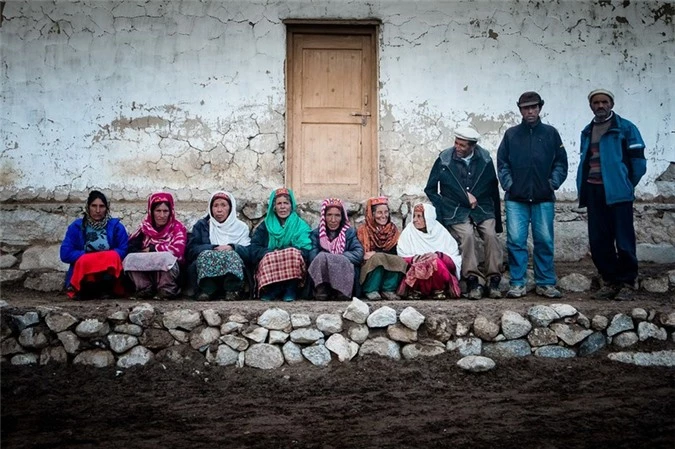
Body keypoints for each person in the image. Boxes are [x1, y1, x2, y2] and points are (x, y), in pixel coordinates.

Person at [497, 91, 568, 299]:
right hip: (516, 199)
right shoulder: (511, 135)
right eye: (526, 107)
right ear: (519, 109)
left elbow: (561, 163)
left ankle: (545, 282)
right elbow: (502, 163)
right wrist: (509, 184)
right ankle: (518, 283)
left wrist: (552, 183)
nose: (530, 111)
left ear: (540, 108)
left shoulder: (550, 133)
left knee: (544, 240)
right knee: (516, 241)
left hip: (543, 198)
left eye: (534, 107)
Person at [577, 88, 646, 301]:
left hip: (618, 193)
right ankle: (610, 280)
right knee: (599, 240)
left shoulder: (625, 128)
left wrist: (625, 183)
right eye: (596, 102)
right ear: (591, 106)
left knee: (624, 240)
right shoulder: (587, 131)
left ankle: (627, 282)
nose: (600, 106)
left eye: (604, 102)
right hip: (594, 190)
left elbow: (638, 162)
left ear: (611, 104)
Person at [425, 126, 503, 300]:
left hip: (481, 206)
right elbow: (430, 189)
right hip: (454, 209)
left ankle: (494, 279)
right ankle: (473, 279)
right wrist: (444, 206)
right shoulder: (444, 159)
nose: (457, 147)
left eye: (462, 145)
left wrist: (496, 219)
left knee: (490, 234)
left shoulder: (484, 160)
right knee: (467, 236)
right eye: (456, 143)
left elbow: (492, 187)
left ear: (472, 146)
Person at [60, 190, 129, 299]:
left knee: (112, 256)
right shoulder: (77, 227)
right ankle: (87, 290)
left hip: (108, 274)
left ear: (107, 208)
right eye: (94, 206)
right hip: (86, 275)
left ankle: (106, 290)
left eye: (101, 206)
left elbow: (124, 249)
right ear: (88, 207)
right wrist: (87, 255)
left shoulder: (116, 227)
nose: (98, 210)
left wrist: (102, 257)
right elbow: (65, 254)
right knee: (86, 260)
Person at [247, 188, 312, 302]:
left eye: (286, 203)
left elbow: (306, 249)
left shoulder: (300, 225)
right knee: (269, 256)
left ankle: (290, 288)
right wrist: (270, 252)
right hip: (270, 267)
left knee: (292, 253)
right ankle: (274, 289)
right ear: (274, 206)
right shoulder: (265, 226)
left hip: (293, 269)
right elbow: (254, 248)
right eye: (279, 203)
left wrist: (284, 251)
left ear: (291, 206)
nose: (282, 207)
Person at [186, 191, 251, 301]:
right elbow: (191, 250)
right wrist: (212, 248)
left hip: (232, 274)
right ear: (210, 208)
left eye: (223, 205)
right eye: (215, 205)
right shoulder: (202, 226)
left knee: (232, 255)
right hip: (207, 275)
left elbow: (249, 252)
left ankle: (232, 290)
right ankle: (207, 290)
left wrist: (232, 247)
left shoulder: (241, 227)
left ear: (230, 208)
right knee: (205, 255)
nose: (219, 210)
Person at [123, 192, 187, 299]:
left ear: (171, 212)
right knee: (130, 258)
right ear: (151, 211)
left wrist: (152, 249)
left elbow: (177, 251)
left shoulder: (177, 228)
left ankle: (167, 290)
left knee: (166, 258)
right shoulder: (144, 228)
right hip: (148, 272)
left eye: (165, 211)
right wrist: (147, 254)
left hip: (171, 273)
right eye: (158, 211)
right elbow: (131, 247)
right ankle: (145, 288)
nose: (162, 215)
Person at [396, 203, 462, 300]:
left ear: (428, 218)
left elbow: (453, 259)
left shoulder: (440, 232)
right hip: (416, 275)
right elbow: (402, 256)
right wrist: (416, 259)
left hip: (438, 275)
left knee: (435, 262)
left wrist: (438, 256)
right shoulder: (408, 232)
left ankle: (439, 289)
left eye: (419, 216)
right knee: (420, 265)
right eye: (414, 216)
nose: (414, 220)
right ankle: (416, 291)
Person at [308, 198, 364, 300]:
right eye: (329, 215)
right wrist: (329, 258)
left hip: (343, 274)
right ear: (324, 217)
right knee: (321, 257)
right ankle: (322, 290)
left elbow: (358, 254)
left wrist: (336, 257)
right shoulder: (316, 234)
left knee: (335, 259)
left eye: (337, 215)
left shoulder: (349, 233)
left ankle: (341, 291)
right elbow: (312, 256)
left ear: (342, 217)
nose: (333, 220)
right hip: (323, 275)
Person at [356, 197, 407, 300]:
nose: (383, 216)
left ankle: (388, 289)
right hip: (368, 266)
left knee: (398, 260)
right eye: (379, 212)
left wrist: (377, 252)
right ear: (372, 214)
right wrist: (375, 254)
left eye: (386, 212)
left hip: (384, 260)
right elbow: (363, 253)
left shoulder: (392, 230)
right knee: (378, 258)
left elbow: (394, 251)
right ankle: (371, 289)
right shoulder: (364, 230)